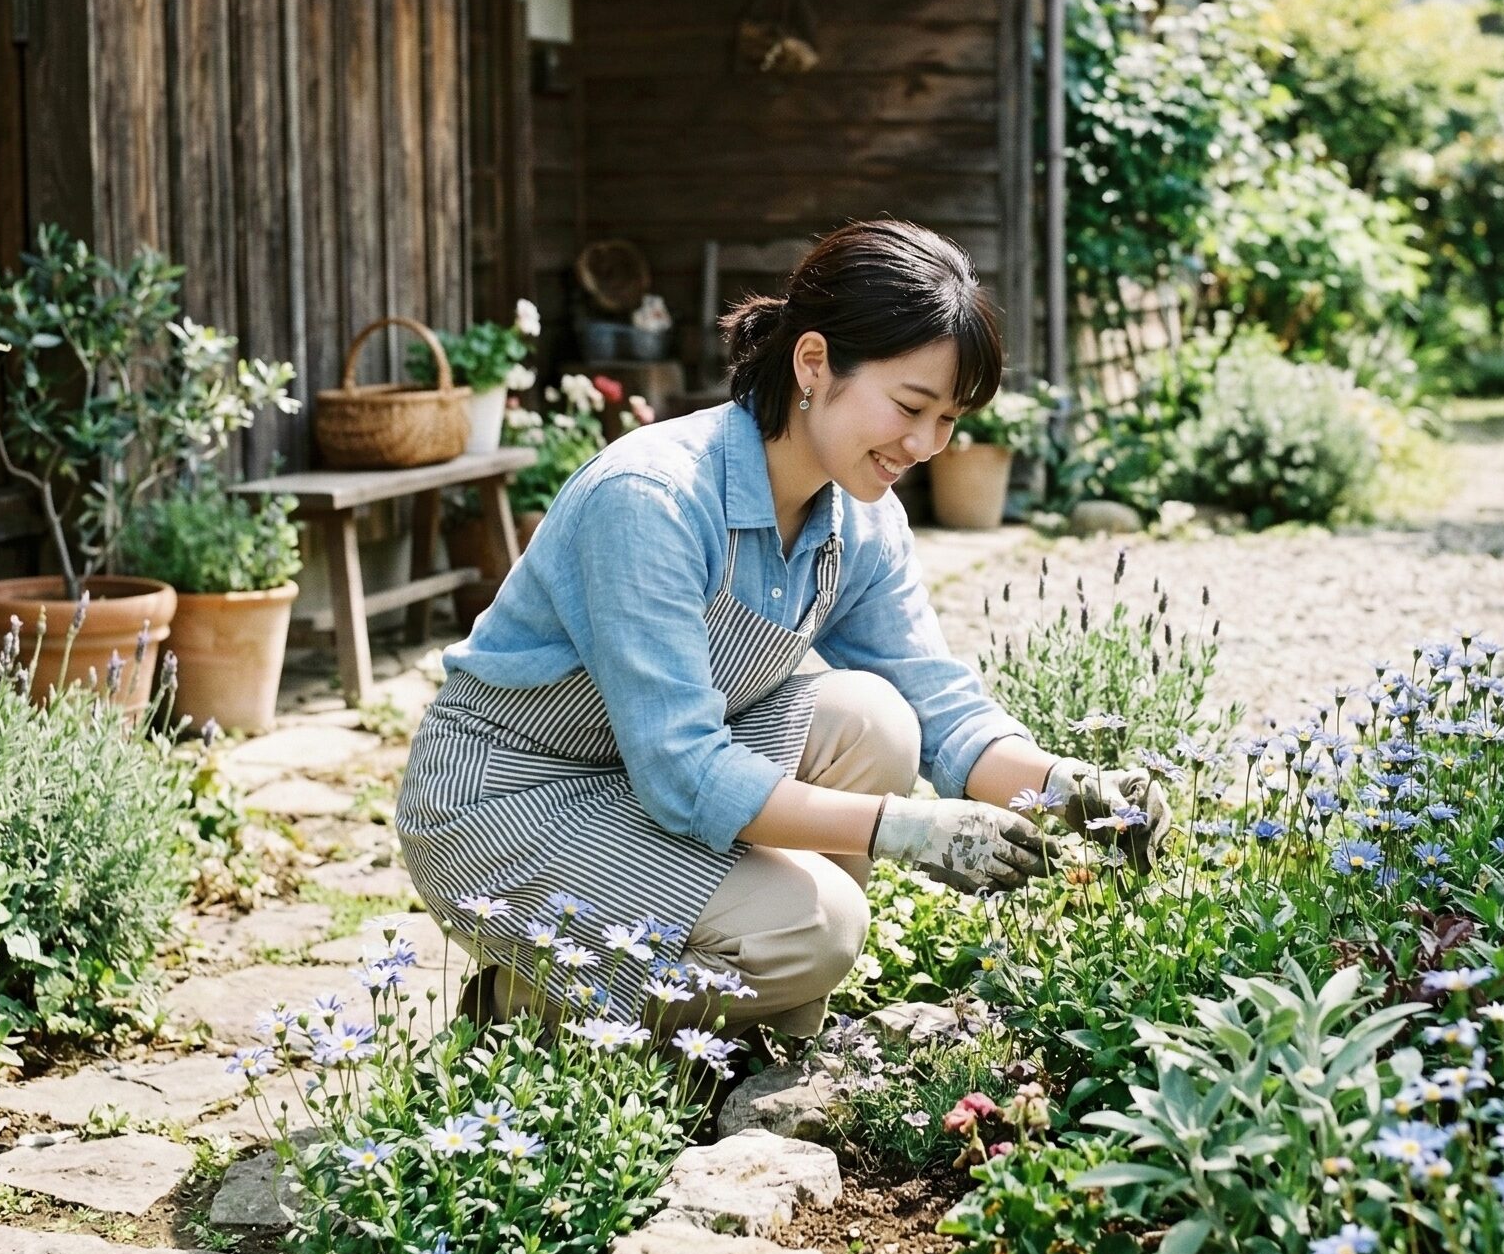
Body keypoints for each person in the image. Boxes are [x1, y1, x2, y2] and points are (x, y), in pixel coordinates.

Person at [396, 218, 1168, 1037]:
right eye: (910, 406)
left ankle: (774, 1037)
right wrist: (902, 828)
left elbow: (939, 707)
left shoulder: (860, 519)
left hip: (635, 779)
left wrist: (1068, 787)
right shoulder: (653, 498)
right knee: (820, 925)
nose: (924, 445)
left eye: (949, 419)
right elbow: (682, 771)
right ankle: (530, 1010)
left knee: (875, 720)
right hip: (509, 802)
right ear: (813, 362)